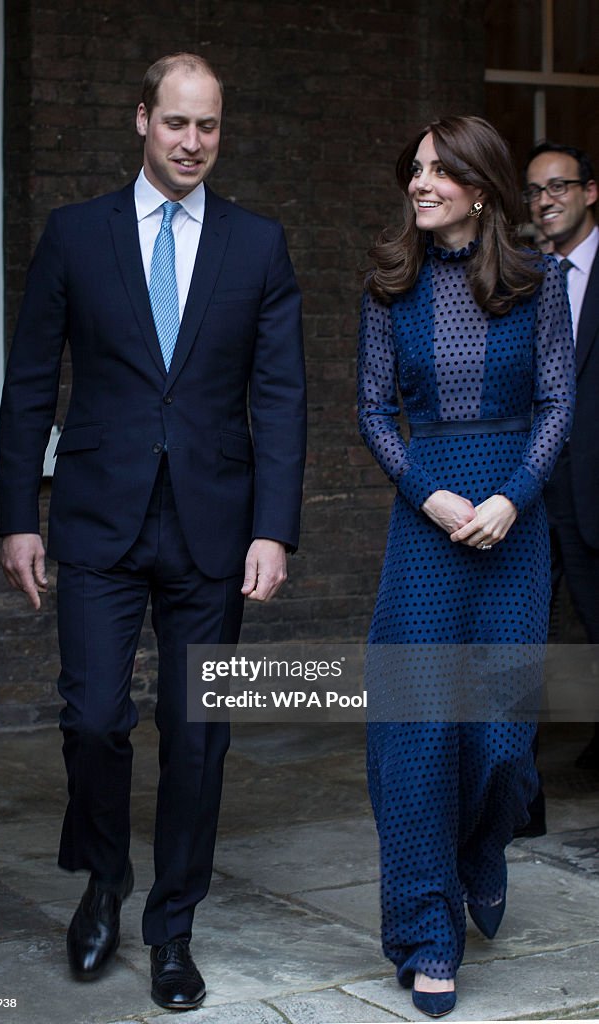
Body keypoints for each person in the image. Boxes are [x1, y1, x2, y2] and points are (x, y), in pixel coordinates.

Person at [0, 53, 306, 1012]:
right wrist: (18, 518)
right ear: (141, 120)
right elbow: (31, 384)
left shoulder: (257, 246)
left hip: (214, 530)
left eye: (209, 126)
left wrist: (274, 529)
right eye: (176, 123)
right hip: (95, 520)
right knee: (92, 718)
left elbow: (283, 397)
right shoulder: (75, 236)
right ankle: (104, 881)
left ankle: (173, 929)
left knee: (198, 734)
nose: (193, 143)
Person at [357, 116, 575, 1018]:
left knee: (497, 741)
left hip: (512, 531)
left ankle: (482, 851)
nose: (420, 183)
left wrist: (514, 496)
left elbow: (559, 399)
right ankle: (425, 931)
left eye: (439, 171)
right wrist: (428, 493)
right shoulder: (388, 285)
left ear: (480, 188)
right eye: (414, 169)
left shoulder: (538, 283)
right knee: (414, 735)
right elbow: (371, 407)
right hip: (426, 530)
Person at [524, 143, 599, 769]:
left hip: (595, 484)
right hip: (532, 490)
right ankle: (519, 789)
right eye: (535, 191)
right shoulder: (524, 276)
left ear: (589, 192)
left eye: (559, 187)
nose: (546, 200)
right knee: (521, 633)